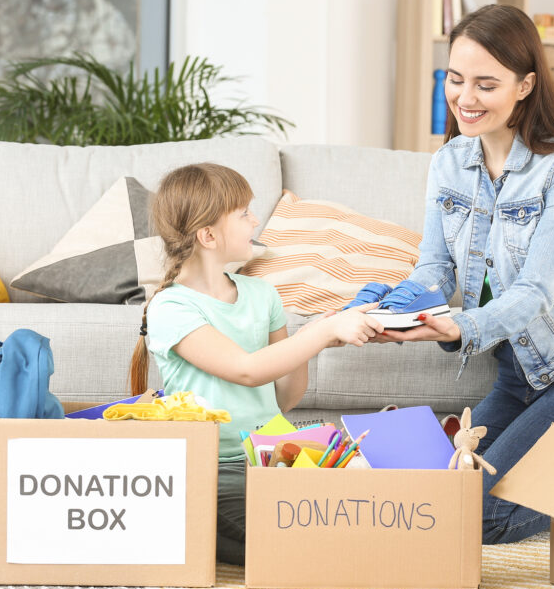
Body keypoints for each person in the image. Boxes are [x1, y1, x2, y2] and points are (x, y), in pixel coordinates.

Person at [374, 4, 554, 544]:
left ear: (524, 86)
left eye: (485, 84)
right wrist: (396, 305)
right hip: (517, 379)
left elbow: (536, 294)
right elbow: (435, 266)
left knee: (474, 517)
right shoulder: (449, 162)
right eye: (455, 79)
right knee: (438, 499)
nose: (465, 99)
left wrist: (460, 326)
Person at [128, 162, 383, 564]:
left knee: (356, 526)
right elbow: (246, 370)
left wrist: (320, 334)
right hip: (214, 467)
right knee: (296, 547)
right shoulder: (171, 307)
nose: (256, 219)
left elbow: (285, 398)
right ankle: (196, 526)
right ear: (208, 235)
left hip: (273, 458)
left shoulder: (262, 294)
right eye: (244, 213)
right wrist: (314, 336)